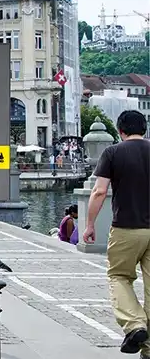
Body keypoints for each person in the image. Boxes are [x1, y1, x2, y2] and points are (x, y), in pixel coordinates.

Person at [82, 110, 150, 356]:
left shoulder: (113, 152)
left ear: (120, 131)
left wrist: (89, 224)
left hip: (126, 228)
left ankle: (135, 325)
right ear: (144, 129)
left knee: (119, 277)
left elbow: (99, 191)